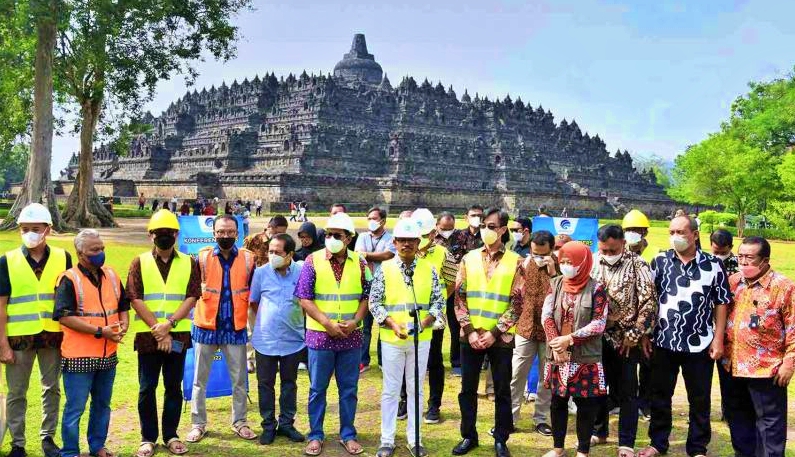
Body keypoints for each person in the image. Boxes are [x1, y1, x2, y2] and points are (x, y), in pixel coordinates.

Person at [638, 216, 731, 457]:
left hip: (700, 342)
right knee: (660, 396)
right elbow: (649, 300)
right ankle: (658, 443)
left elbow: (721, 302)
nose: (675, 237)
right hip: (663, 341)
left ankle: (697, 447)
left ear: (695, 235)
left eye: (681, 232)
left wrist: (718, 338)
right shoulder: (659, 261)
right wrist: (645, 333)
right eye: (671, 232)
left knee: (699, 398)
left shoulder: (713, 264)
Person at [126, 209, 201, 457]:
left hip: (177, 336)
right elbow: (134, 297)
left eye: (169, 232)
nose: (164, 236)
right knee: (147, 388)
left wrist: (168, 325)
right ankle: (147, 438)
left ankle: (171, 435)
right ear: (151, 235)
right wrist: (159, 331)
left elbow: (192, 296)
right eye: (159, 232)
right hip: (148, 337)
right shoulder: (139, 262)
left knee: (173, 387)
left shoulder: (189, 262)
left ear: (176, 235)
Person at [295, 212, 370, 456]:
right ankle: (315, 435)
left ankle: (348, 434)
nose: (331, 239)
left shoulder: (360, 263)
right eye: (328, 234)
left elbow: (367, 296)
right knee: (318, 389)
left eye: (337, 235)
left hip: (351, 336)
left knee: (348, 389)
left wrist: (356, 320)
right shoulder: (313, 260)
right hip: (320, 336)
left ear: (349, 238)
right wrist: (327, 323)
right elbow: (304, 297)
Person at [0, 203, 71, 457]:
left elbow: (68, 299)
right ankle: (18, 443)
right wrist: (2, 345)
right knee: (16, 393)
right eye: (25, 229)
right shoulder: (7, 261)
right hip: (19, 338)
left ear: (48, 229)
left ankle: (48, 438)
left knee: (51, 389)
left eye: (36, 228)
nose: (29, 233)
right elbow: (1, 306)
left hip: (53, 336)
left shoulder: (63, 257)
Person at [370, 218, 445, 457]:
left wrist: (425, 322)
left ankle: (415, 439)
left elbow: (438, 302)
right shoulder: (385, 269)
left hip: (420, 339)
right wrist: (392, 324)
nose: (406, 244)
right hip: (392, 340)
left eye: (411, 240)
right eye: (401, 240)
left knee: (416, 389)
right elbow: (374, 303)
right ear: (394, 242)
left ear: (418, 242)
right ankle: (387, 439)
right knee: (391, 390)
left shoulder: (428, 269)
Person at [453, 208, 524, 457]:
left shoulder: (516, 261)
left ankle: (501, 438)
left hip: (500, 337)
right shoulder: (469, 258)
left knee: (502, 391)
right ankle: (468, 436)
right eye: (483, 225)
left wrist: (494, 332)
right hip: (470, 335)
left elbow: (518, 303)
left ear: (503, 230)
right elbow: (459, 298)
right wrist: (470, 330)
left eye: (491, 226)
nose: (485, 230)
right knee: (467, 389)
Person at [54, 229, 130, 457]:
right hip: (79, 356)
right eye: (94, 250)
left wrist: (124, 324)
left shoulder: (111, 275)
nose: (100, 253)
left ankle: (97, 446)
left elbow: (123, 305)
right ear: (80, 253)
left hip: (108, 355)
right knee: (75, 408)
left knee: (102, 405)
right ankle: (70, 452)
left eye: (102, 248)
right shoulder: (69, 279)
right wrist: (100, 331)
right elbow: (64, 317)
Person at [186, 215, 257, 443]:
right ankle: (198, 424)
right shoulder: (202, 258)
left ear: (237, 233)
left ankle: (240, 422)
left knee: (239, 381)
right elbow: (190, 291)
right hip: (206, 327)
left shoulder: (249, 259)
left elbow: (254, 293)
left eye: (230, 232)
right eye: (221, 232)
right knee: (199, 381)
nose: (225, 236)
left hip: (235, 328)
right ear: (213, 233)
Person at [719, 236, 793, 457]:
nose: (743, 262)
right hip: (732, 365)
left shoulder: (783, 287)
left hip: (766, 368)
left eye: (749, 258)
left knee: (769, 425)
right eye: (740, 256)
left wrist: (789, 363)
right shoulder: (733, 282)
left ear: (765, 260)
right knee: (738, 419)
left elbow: (794, 327)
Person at [591, 225, 657, 457]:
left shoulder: (638, 265)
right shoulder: (593, 261)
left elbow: (649, 303)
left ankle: (626, 442)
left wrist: (635, 335)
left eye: (613, 250)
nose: (608, 255)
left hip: (627, 341)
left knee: (628, 392)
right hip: (597, 338)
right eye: (604, 250)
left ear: (622, 244)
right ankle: (599, 431)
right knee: (598, 387)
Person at [541, 241, 608, 457]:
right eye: (563, 261)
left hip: (585, 358)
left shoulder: (597, 289)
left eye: (571, 262)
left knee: (586, 405)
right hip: (558, 356)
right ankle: (558, 448)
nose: (566, 266)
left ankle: (582, 451)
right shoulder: (555, 284)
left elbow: (599, 323)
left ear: (583, 262)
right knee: (557, 402)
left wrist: (569, 339)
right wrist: (556, 344)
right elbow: (546, 316)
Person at [249, 233, 306, 445]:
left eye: (277, 252)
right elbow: (254, 303)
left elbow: (307, 302)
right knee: (265, 384)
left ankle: (287, 424)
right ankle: (268, 426)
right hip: (265, 340)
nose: (272, 255)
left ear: (290, 254)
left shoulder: (302, 271)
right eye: (270, 251)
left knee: (289, 384)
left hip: (293, 339)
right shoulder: (261, 273)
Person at [408, 209, 457, 425]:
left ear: (432, 234)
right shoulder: (404, 252)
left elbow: (452, 282)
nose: (420, 240)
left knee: (434, 360)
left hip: (434, 318)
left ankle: (434, 405)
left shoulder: (443, 254)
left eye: (424, 235)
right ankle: (405, 400)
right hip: (407, 315)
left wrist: (438, 303)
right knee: (407, 360)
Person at [510, 230, 557, 437]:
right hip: (525, 327)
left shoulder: (561, 267)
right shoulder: (522, 264)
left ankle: (541, 419)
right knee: (517, 374)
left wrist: (553, 273)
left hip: (550, 331)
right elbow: (514, 293)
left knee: (547, 378)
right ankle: (510, 418)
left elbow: (566, 294)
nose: (538, 257)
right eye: (534, 253)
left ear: (552, 249)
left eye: (542, 254)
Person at [354, 206, 397, 373]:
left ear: (383, 221)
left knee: (383, 323)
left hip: (385, 284)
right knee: (364, 326)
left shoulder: (390, 238)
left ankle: (382, 360)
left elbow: (388, 255)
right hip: (365, 285)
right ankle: (363, 360)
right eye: (369, 218)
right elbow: (358, 256)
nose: (371, 221)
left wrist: (366, 255)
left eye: (375, 218)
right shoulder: (363, 236)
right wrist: (369, 256)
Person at [434, 211, 463, 375]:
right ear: (437, 225)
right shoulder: (430, 240)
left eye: (450, 228)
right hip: (436, 291)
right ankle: (434, 361)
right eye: (444, 228)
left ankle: (456, 361)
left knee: (456, 327)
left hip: (455, 289)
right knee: (435, 328)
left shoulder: (461, 237)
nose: (447, 231)